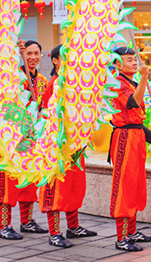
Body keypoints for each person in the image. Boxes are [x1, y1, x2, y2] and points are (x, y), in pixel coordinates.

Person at [109, 47, 151, 251]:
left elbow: (135, 121)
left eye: (135, 59)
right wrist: (144, 78)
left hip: (135, 136)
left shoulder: (130, 82)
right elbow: (133, 103)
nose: (134, 62)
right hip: (124, 138)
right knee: (124, 185)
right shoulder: (117, 82)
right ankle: (120, 236)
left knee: (135, 184)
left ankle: (132, 231)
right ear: (118, 64)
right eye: (129, 60)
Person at [38, 45, 97, 248]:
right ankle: (54, 232)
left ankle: (73, 226)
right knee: (54, 189)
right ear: (55, 61)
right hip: (56, 147)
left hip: (74, 145)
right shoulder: (54, 84)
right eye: (66, 58)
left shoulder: (76, 84)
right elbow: (48, 114)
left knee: (74, 188)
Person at [0, 40, 48, 240]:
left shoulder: (42, 81)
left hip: (30, 138)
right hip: (10, 138)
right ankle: (4, 225)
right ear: (22, 55)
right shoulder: (13, 78)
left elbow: (44, 107)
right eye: (29, 54)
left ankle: (26, 221)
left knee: (28, 180)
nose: (33, 57)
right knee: (7, 181)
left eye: (36, 53)